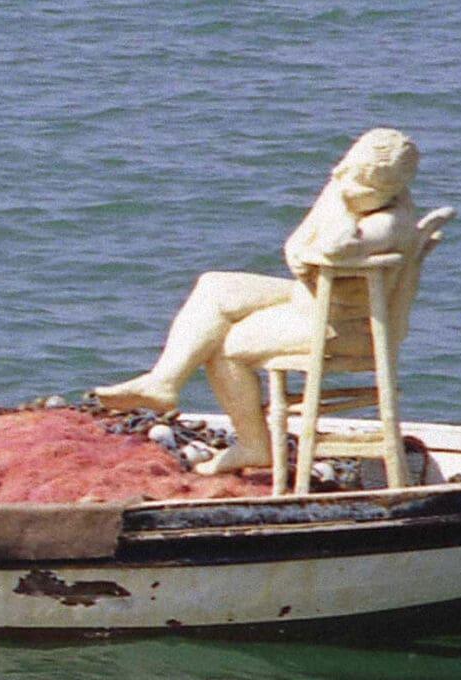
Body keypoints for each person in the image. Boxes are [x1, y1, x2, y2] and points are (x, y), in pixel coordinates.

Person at [94, 128, 427, 475]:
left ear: (385, 188)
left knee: (224, 344)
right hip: (313, 299)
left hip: (348, 326)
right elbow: (297, 244)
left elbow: (333, 246)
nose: (341, 177)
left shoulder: (390, 223)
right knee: (214, 287)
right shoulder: (352, 191)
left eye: (356, 178)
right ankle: (163, 381)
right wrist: (309, 241)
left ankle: (254, 445)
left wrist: (342, 202)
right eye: (345, 169)